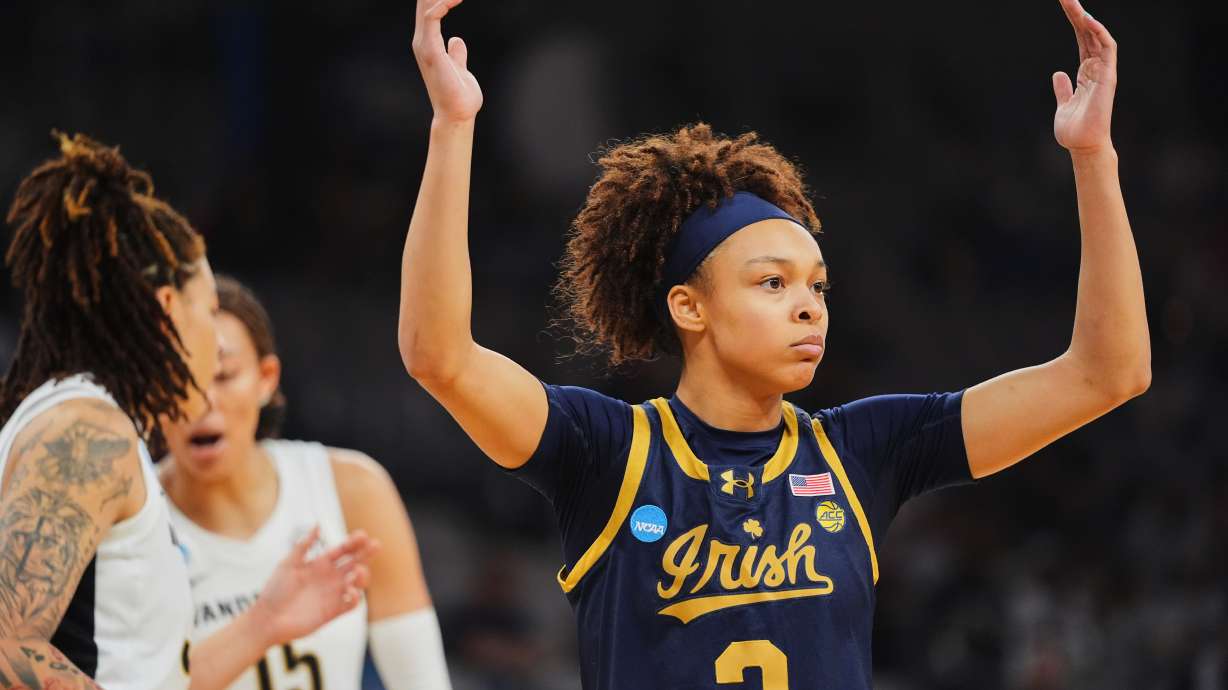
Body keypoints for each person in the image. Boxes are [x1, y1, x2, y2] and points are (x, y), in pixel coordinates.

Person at [398, 0, 1149, 687]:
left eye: (818, 286)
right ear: (690, 307)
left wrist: (1094, 157)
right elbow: (439, 355)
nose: (808, 307)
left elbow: (1107, 374)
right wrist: (452, 128)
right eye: (772, 283)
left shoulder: (864, 451)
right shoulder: (607, 451)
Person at [0, 134, 375, 690]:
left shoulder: (91, 419)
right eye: (209, 307)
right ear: (169, 309)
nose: (215, 339)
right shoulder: (88, 432)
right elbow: (6, 643)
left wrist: (263, 623)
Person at [159, 276, 452, 690]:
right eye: (180, 380)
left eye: (223, 375)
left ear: (266, 378)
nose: (203, 401)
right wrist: (260, 625)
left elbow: (422, 681)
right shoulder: (129, 518)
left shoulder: (352, 488)